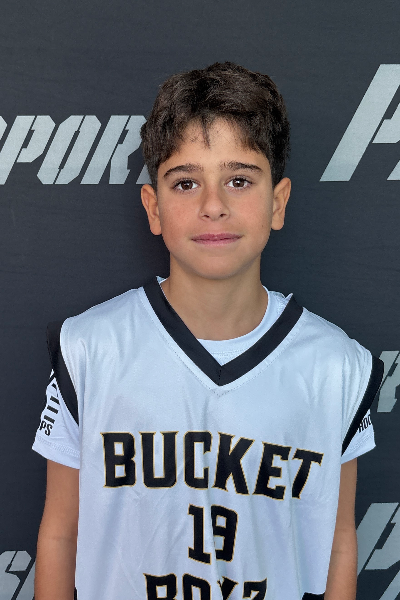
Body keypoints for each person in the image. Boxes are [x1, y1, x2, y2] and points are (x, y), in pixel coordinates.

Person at [33, 62, 383, 600]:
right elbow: (62, 533)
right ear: (153, 208)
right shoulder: (89, 349)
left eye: (239, 180)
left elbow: (336, 542)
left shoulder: (336, 367)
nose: (213, 206)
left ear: (278, 202)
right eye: (186, 182)